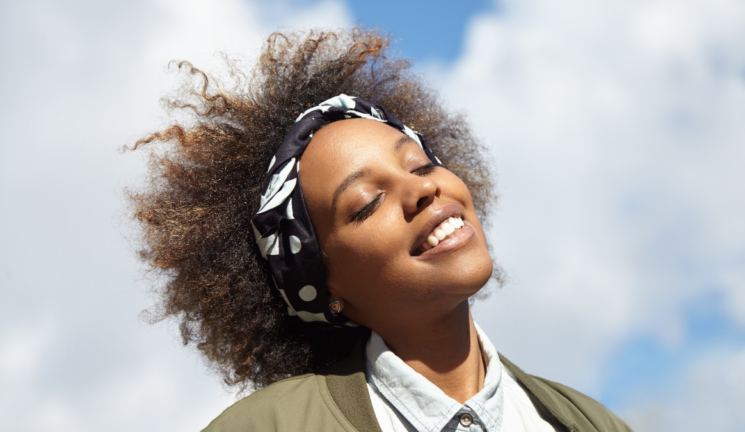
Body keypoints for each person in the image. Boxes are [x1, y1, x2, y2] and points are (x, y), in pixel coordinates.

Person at [128, 29, 633, 432]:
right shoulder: (267, 427)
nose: (422, 191)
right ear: (326, 285)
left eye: (419, 165)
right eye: (367, 204)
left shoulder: (588, 423)